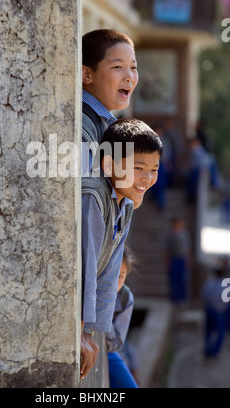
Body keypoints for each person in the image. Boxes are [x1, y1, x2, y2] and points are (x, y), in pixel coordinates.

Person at [80, 118, 163, 379]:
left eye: (154, 169)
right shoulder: (93, 198)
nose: (147, 178)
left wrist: (92, 331)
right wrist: (80, 331)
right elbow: (86, 269)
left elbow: (109, 274)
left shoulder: (126, 203)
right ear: (108, 164)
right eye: (138, 167)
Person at [82, 29, 139, 175]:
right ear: (87, 74)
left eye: (133, 67)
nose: (130, 77)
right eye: (117, 67)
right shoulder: (79, 127)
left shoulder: (104, 122)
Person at [106, 246, 139, 388]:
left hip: (108, 353)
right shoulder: (92, 291)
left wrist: (105, 312)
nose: (115, 282)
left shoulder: (126, 299)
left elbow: (116, 344)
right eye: (112, 274)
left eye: (121, 276)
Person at [201, 266, 229, 357]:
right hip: (218, 311)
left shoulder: (209, 283)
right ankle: (213, 352)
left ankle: (207, 348)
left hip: (209, 309)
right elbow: (225, 300)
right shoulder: (225, 286)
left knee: (208, 331)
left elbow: (203, 295)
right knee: (220, 333)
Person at [164, 217, 192, 306]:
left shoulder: (185, 234)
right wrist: (167, 261)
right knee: (173, 280)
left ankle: (182, 298)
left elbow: (188, 249)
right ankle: (173, 299)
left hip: (182, 259)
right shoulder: (169, 235)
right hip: (173, 258)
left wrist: (189, 260)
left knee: (182, 280)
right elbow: (166, 250)